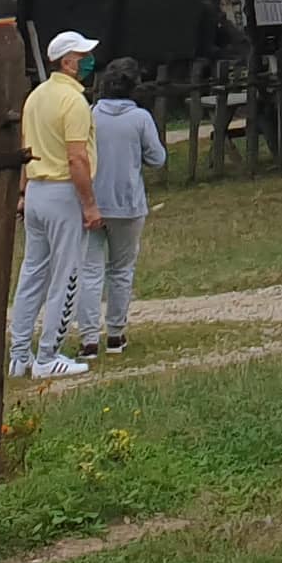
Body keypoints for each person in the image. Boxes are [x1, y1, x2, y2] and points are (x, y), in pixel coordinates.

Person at [11, 29, 103, 382]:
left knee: (32, 272)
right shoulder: (74, 102)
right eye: (82, 56)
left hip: (36, 188)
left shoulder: (34, 97)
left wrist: (22, 193)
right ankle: (48, 353)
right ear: (68, 62)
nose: (87, 62)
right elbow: (77, 157)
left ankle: (20, 354)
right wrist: (90, 204)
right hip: (63, 191)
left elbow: (25, 149)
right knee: (67, 274)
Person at [79, 61, 168, 356]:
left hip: (92, 202)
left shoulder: (90, 115)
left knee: (90, 271)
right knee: (121, 270)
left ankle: (88, 339)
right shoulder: (140, 118)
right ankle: (116, 334)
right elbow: (157, 158)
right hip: (128, 204)